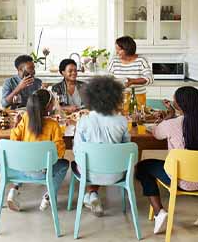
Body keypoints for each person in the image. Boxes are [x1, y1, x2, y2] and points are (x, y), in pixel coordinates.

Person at [136, 86, 198, 234]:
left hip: (181, 180)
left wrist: (168, 118)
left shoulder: (173, 124)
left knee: (143, 167)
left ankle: (159, 211)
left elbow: (156, 133)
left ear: (178, 105)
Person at [72, 76, 130, 217]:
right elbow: (126, 149)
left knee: (80, 162)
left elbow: (77, 151)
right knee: (103, 160)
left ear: (90, 98)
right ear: (116, 98)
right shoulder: (122, 121)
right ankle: (92, 195)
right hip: (116, 174)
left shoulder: (83, 121)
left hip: (90, 173)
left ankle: (91, 194)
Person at [7, 89, 69, 212]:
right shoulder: (53, 125)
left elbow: (13, 139)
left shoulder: (25, 118)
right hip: (42, 172)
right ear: (48, 106)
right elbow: (59, 153)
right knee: (65, 164)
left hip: (22, 169)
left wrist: (16, 124)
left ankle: (13, 191)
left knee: (24, 159)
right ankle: (48, 196)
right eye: (52, 102)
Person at [108, 36, 153, 109]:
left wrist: (132, 81)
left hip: (138, 97)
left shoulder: (141, 60)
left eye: (119, 50)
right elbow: (108, 79)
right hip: (119, 98)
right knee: (120, 118)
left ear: (127, 49)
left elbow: (150, 78)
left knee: (137, 118)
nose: (116, 52)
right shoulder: (114, 62)